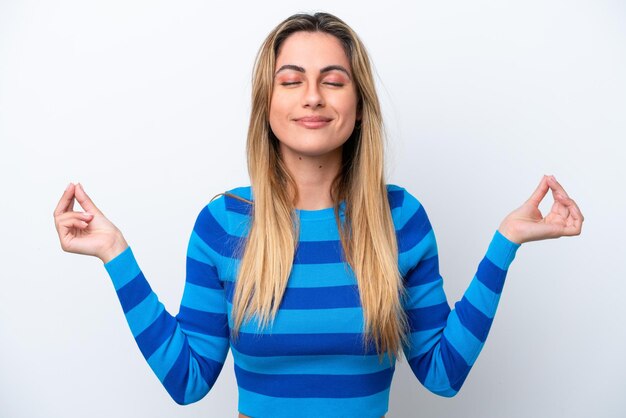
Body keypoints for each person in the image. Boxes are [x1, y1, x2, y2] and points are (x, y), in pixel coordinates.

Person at [53, 12, 583, 418]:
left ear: (358, 104)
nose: (312, 97)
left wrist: (506, 242)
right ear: (268, 104)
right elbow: (188, 381)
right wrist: (114, 254)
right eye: (291, 80)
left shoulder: (401, 218)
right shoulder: (222, 224)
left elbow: (442, 374)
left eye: (333, 80)